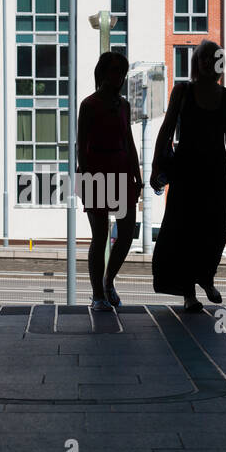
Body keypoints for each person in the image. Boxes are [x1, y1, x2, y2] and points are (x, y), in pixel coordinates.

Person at [150, 40, 226, 312]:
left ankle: (207, 277)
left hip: (216, 172)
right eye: (206, 58)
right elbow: (167, 129)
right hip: (187, 171)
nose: (211, 63)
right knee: (185, 232)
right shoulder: (182, 92)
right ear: (198, 63)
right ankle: (189, 293)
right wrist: (157, 167)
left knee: (217, 229)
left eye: (215, 58)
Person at [77, 51, 143, 311]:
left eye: (121, 71)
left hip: (123, 171)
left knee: (126, 233)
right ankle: (97, 295)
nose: (118, 76)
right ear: (102, 72)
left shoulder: (124, 106)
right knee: (100, 235)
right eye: (113, 70)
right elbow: (81, 146)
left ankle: (109, 280)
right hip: (96, 172)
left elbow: (129, 140)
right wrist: (85, 178)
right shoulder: (89, 104)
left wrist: (137, 174)